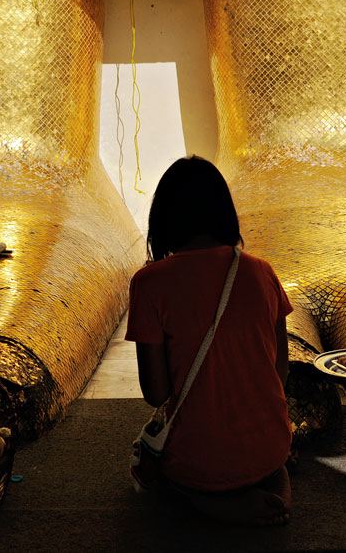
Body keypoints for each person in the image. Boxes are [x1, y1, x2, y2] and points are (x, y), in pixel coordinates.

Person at [125, 155, 294, 526]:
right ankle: (271, 491)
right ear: (224, 214)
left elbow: (155, 393)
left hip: (199, 462)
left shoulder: (149, 284)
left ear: (164, 219)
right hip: (269, 445)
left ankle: (220, 506)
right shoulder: (261, 272)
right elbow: (279, 373)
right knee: (271, 464)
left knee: (170, 481)